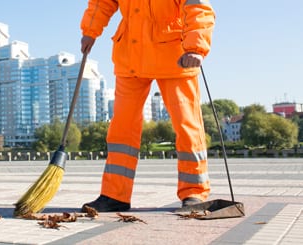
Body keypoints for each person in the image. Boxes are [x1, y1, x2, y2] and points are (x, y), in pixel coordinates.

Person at [80, 0, 216, 212]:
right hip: (130, 56)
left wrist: (196, 47)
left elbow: (198, 6)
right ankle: (115, 195)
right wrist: (90, 30)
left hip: (175, 57)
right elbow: (102, 2)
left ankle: (194, 192)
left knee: (187, 125)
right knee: (121, 131)